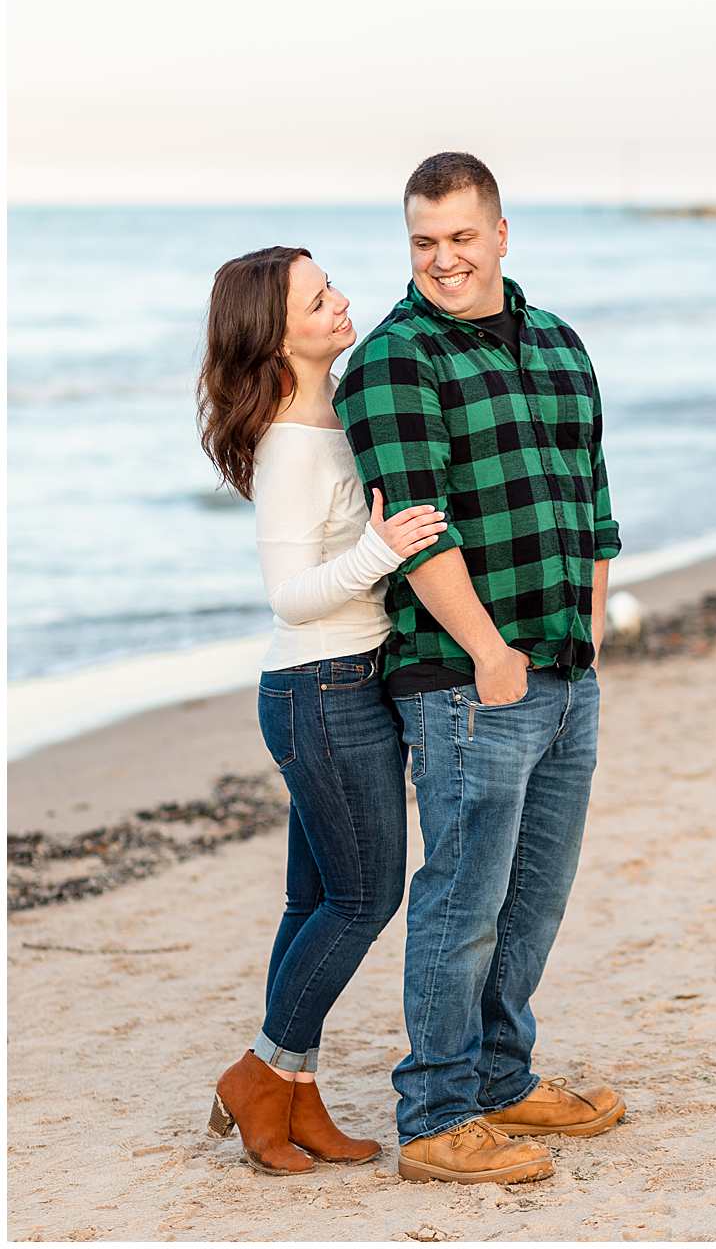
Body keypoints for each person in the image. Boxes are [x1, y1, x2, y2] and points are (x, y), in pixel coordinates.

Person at [334, 152, 626, 1186]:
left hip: (564, 669)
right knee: (463, 899)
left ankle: (502, 1078)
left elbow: (591, 500)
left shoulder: (557, 342)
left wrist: (587, 637)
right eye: (424, 242)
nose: (444, 259)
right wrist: (489, 652)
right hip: (466, 681)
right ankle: (436, 1116)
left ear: (500, 232)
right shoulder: (392, 362)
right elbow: (418, 530)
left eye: (461, 237)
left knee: (535, 895)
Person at [196, 246, 447, 1174]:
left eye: (333, 284)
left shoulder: (331, 416)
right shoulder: (292, 447)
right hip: (322, 687)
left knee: (314, 900)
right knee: (364, 896)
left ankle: (295, 1099)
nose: (341, 301)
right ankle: (260, 1075)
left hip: (343, 683)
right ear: (276, 332)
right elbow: (291, 595)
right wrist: (381, 548)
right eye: (318, 297)